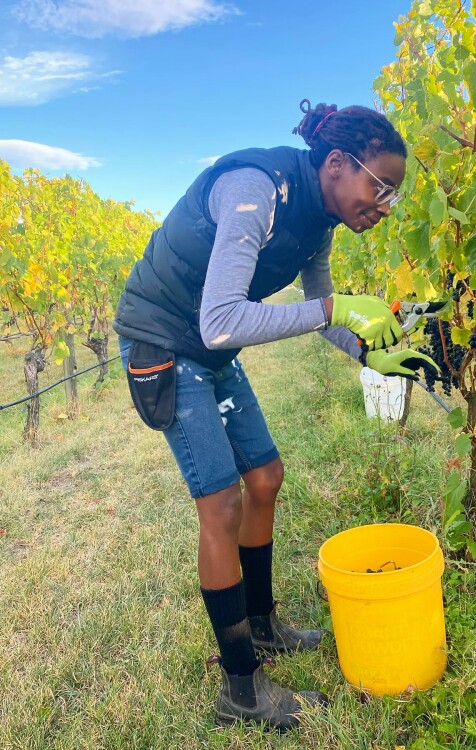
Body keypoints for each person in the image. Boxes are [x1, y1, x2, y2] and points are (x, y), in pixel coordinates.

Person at [114, 99, 435, 730]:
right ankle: (241, 690)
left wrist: (373, 350)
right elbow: (225, 319)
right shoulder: (255, 189)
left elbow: (324, 312)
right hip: (164, 341)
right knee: (221, 504)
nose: (385, 205)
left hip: (211, 348)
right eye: (380, 186)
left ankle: (262, 626)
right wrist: (337, 309)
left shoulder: (320, 221)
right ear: (337, 164)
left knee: (265, 477)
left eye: (393, 194)